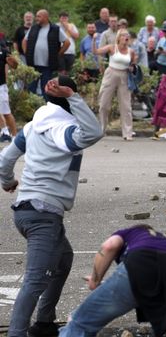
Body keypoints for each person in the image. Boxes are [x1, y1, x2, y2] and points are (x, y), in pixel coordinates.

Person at [0, 76, 103, 337]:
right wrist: (73, 96)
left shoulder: (33, 126)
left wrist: (8, 180)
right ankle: (17, 333)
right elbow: (93, 132)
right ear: (69, 101)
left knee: (63, 259)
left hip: (29, 210)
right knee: (35, 279)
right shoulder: (63, 129)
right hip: (42, 215)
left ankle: (44, 322)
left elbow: (6, 157)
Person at [59, 224, 166, 337]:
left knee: (80, 324)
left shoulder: (130, 232)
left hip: (141, 264)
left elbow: (109, 246)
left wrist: (95, 280)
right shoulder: (165, 241)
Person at [93, 29, 137, 141]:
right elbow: (96, 51)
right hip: (111, 73)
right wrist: (94, 40)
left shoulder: (131, 51)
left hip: (124, 75)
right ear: (119, 37)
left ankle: (127, 133)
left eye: (127, 35)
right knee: (103, 104)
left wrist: (132, 67)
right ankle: (101, 130)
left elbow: (134, 63)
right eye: (123, 35)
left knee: (126, 106)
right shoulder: (112, 47)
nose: (126, 37)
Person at [23, 9, 70, 98]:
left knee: (46, 89)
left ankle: (47, 107)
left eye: (39, 16)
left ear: (46, 17)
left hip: (47, 66)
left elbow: (67, 42)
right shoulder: (34, 28)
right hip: (33, 65)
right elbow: (25, 40)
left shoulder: (55, 29)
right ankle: (30, 108)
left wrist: (59, 54)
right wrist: (26, 53)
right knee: (31, 87)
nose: (36, 18)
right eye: (36, 16)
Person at [0, 38, 18, 141]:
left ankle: (15, 137)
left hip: (1, 86)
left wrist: (13, 62)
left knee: (6, 112)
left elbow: (14, 65)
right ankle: (5, 132)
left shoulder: (3, 50)